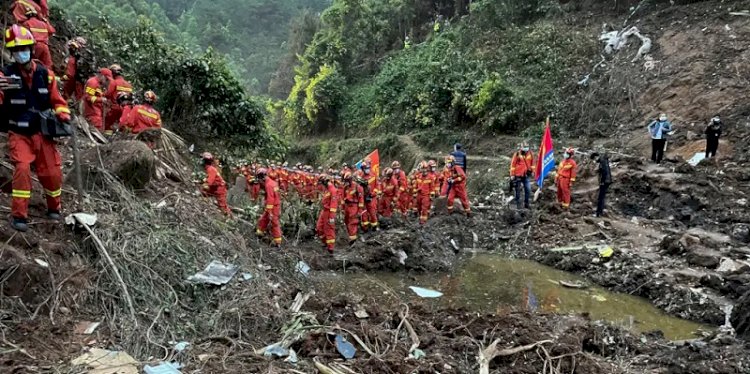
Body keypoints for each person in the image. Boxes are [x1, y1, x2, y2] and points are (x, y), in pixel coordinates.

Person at [0, 25, 71, 232]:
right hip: (19, 133)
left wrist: (63, 114)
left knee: (52, 173)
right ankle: (19, 216)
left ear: (31, 48)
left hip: (43, 133)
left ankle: (54, 208)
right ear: (12, 53)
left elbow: (58, 100)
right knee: (22, 168)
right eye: (15, 50)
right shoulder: (5, 76)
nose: (20, 53)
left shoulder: (45, 74)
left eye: (23, 48)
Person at [255, 168, 282, 247]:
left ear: (261, 177)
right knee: (263, 219)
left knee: (274, 223)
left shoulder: (269, 185)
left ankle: (277, 242)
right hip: (272, 206)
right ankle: (260, 233)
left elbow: (271, 199)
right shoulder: (272, 182)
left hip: (273, 207)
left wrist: (269, 211)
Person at [104, 64, 133, 135]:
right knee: (122, 126)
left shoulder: (114, 82)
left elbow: (108, 94)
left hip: (115, 108)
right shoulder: (128, 85)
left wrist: (101, 93)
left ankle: (108, 139)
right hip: (125, 109)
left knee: (107, 124)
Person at [316, 174, 339, 253]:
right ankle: (325, 242)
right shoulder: (327, 189)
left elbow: (334, 204)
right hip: (324, 211)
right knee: (319, 227)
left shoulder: (333, 190)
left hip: (329, 212)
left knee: (329, 230)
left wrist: (331, 217)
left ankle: (330, 248)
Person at [510, 143, 534, 209]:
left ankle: (526, 203)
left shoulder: (530, 154)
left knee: (528, 189)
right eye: (524, 147)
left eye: (527, 147)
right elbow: (513, 165)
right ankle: (517, 204)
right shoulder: (517, 154)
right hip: (518, 174)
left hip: (526, 175)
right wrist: (512, 174)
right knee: (517, 190)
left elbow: (532, 163)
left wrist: (532, 171)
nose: (526, 148)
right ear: (521, 147)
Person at [342, 172, 364, 244]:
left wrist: (360, 211)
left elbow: (361, 200)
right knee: (346, 221)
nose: (347, 182)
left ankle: (353, 239)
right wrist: (342, 208)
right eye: (346, 180)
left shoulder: (357, 187)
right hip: (347, 206)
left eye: (348, 180)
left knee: (353, 222)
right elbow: (343, 197)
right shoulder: (345, 187)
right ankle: (350, 236)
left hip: (354, 206)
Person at [359, 160, 380, 231]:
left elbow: (377, 186)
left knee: (372, 212)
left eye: (368, 168)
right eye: (365, 168)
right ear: (362, 169)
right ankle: (365, 228)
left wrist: (373, 193)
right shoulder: (361, 177)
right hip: (364, 198)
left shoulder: (373, 174)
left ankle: (374, 226)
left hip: (372, 198)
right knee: (364, 213)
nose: (367, 170)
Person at [591, 151, 612, 217]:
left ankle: (598, 213)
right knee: (601, 197)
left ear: (596, 157)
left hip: (605, 181)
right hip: (607, 180)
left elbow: (604, 172)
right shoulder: (604, 160)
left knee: (601, 197)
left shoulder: (602, 162)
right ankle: (600, 212)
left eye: (594, 159)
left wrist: (602, 181)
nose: (594, 161)